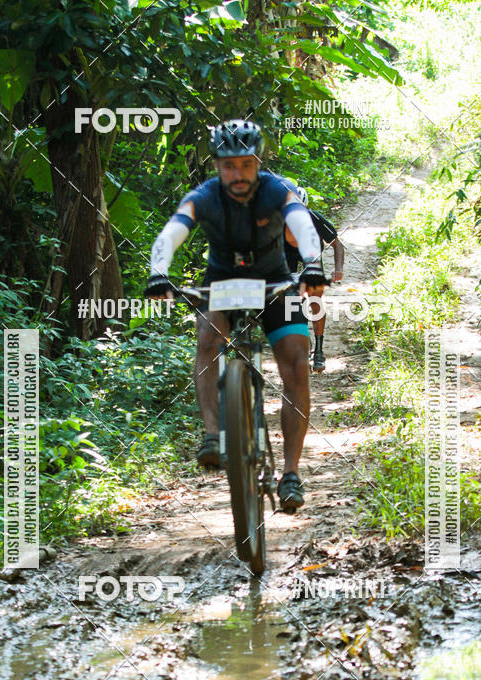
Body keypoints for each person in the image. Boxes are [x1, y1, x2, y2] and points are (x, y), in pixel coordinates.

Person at [144, 119, 328, 511]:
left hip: (275, 280)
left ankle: (291, 473)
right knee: (208, 339)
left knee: (296, 363)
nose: (238, 174)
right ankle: (213, 435)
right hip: (222, 281)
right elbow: (172, 232)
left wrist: (311, 263)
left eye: (245, 164)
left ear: (257, 162)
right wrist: (158, 272)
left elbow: (301, 223)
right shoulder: (204, 196)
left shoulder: (276, 190)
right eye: (229, 166)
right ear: (216, 166)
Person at [282, 184, 344, 373]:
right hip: (288, 261)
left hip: (311, 258)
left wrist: (338, 268)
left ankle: (319, 350)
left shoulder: (317, 219)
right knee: (289, 302)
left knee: (315, 299)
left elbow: (337, 244)